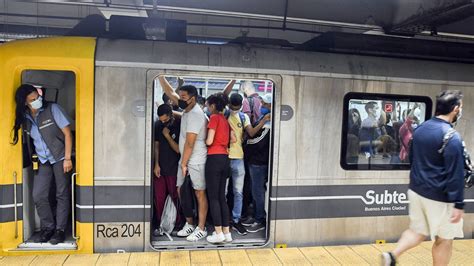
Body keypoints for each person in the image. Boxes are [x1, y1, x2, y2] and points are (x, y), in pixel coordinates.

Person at [382, 90, 465, 266]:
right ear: (455, 109)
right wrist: (458, 203)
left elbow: (412, 159)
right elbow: (455, 173)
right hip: (440, 197)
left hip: (417, 191)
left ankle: (392, 255)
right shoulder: (451, 137)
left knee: (416, 231)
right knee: (444, 240)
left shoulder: (420, 129)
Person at [11, 84, 73, 244]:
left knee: (61, 194)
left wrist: (67, 158)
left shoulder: (53, 109)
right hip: (42, 160)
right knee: (38, 195)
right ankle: (48, 227)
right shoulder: (26, 117)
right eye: (33, 99)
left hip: (60, 158)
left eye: (37, 97)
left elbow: (67, 134)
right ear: (25, 102)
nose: (37, 100)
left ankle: (59, 230)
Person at [159, 76, 209, 242]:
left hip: (195, 160)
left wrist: (184, 164)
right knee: (181, 190)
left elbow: (190, 143)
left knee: (199, 192)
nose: (180, 100)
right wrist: (160, 75)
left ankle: (201, 228)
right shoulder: (186, 109)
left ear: (193, 98)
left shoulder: (195, 115)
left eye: (183, 97)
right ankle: (189, 223)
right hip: (185, 159)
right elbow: (170, 92)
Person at [227, 93, 270, 235]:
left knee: (232, 192)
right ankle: (233, 218)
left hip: (233, 157)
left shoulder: (241, 117)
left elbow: (251, 134)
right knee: (236, 192)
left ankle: (233, 218)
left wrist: (263, 121)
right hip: (233, 158)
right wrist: (263, 121)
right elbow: (251, 133)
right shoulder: (227, 115)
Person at [204, 93, 233, 243]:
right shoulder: (226, 120)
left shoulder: (214, 118)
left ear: (213, 106)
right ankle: (227, 233)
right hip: (225, 159)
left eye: (208, 106)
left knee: (213, 198)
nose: (207, 108)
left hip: (214, 159)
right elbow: (233, 139)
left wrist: (204, 139)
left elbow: (209, 141)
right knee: (222, 197)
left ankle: (218, 233)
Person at [242, 94, 272, 233]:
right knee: (255, 191)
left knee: (258, 192)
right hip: (255, 161)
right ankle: (255, 215)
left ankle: (259, 218)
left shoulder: (269, 123)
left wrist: (246, 142)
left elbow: (258, 142)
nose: (263, 106)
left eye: (265, 104)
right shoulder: (263, 119)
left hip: (260, 162)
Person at [153, 104, 181, 235]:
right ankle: (160, 224)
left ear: (170, 114)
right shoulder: (158, 125)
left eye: (165, 119)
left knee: (175, 196)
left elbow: (178, 149)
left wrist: (168, 136)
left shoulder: (178, 124)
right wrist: (156, 164)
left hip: (174, 167)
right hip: (161, 168)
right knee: (159, 197)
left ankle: (178, 223)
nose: (163, 122)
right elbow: (156, 145)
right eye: (161, 119)